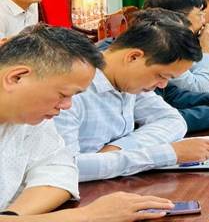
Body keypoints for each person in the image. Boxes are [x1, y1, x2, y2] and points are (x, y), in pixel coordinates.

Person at [0, 25, 174, 220]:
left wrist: (13, 216)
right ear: (16, 78)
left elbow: (60, 169)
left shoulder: (31, 117)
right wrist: (85, 216)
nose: (67, 106)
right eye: (63, 94)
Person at [53, 21, 209, 182]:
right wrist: (166, 154)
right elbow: (66, 168)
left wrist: (117, 150)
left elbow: (174, 121)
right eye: (161, 76)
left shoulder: (128, 82)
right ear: (133, 57)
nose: (162, 85)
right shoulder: (69, 90)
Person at [143, 0, 209, 93]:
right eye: (200, 15)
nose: (204, 21)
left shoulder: (194, 38)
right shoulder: (163, 45)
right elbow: (198, 89)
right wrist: (208, 52)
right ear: (178, 18)